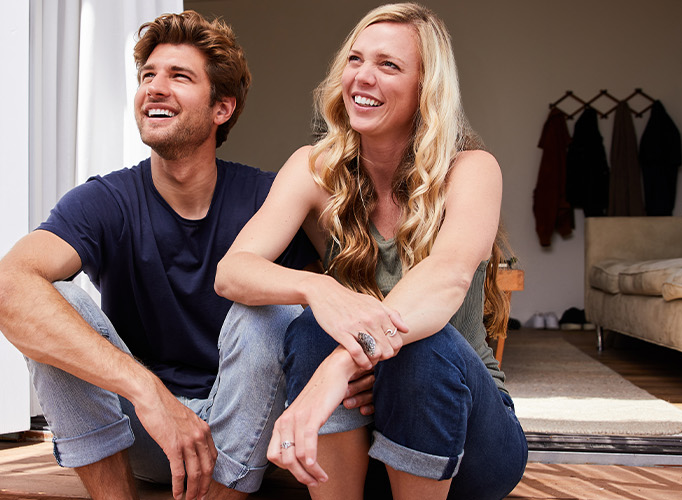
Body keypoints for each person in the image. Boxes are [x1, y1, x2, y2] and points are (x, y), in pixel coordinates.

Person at [0, 11, 319, 500]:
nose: (154, 88)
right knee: (50, 302)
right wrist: (150, 394)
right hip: (143, 432)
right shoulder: (105, 200)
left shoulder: (270, 199)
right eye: (147, 76)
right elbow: (3, 290)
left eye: (179, 76)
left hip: (245, 430)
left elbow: (326, 306)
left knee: (268, 313)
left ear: (222, 108)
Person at [214, 4, 527, 499]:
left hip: (466, 444)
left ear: (426, 89)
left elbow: (446, 277)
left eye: (389, 65)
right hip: (364, 433)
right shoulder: (315, 168)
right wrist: (316, 288)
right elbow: (232, 271)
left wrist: (338, 369)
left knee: (426, 344)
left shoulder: (472, 169)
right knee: (314, 323)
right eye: (356, 59)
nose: (362, 76)